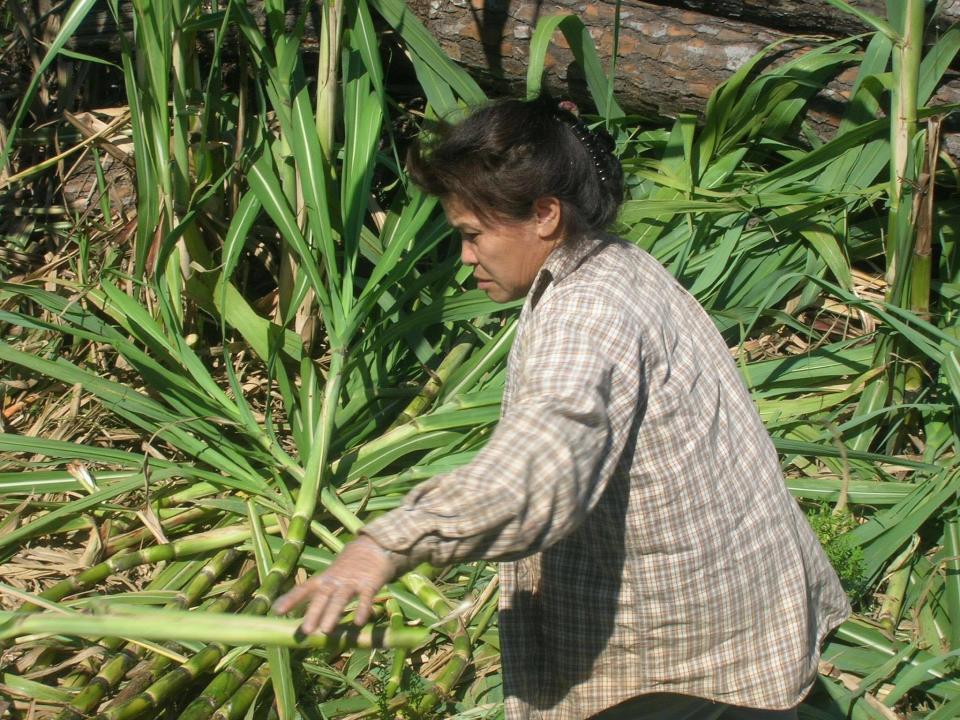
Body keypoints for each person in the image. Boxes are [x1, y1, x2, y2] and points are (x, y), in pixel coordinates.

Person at [274, 96, 851, 720]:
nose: (466, 257)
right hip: (743, 591)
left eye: (472, 235)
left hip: (685, 643)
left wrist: (388, 543)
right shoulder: (618, 262)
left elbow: (541, 463)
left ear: (545, 215)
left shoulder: (586, 312)